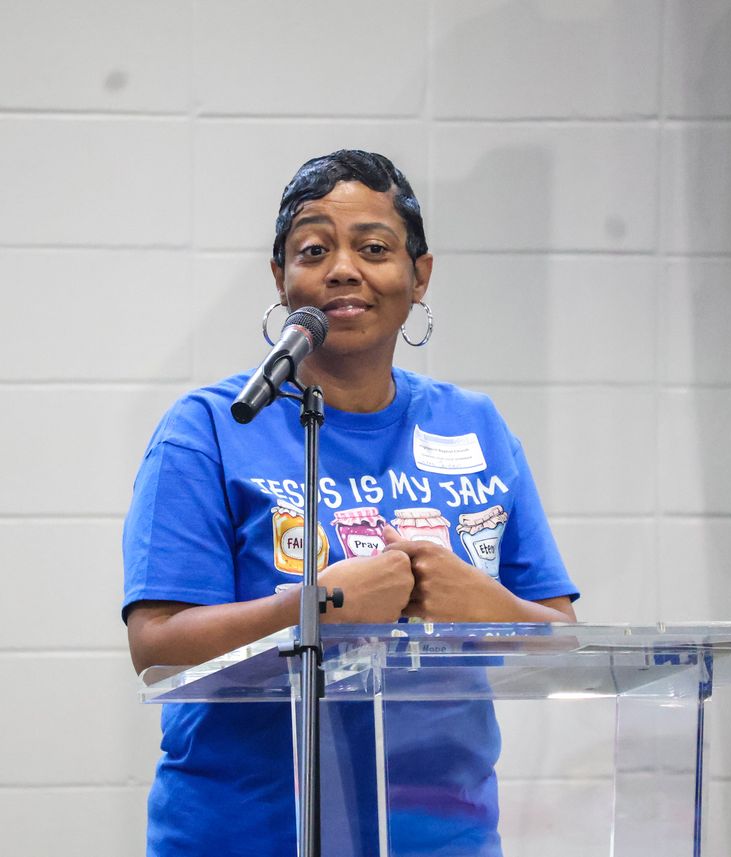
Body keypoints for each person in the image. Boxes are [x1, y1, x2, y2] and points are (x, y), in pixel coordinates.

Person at [122, 150, 579, 857]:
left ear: (419, 276)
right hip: (247, 835)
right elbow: (157, 648)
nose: (342, 268)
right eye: (313, 250)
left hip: (441, 838)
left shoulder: (476, 427)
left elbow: (562, 640)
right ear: (280, 277)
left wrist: (479, 603)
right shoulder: (210, 427)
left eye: (373, 248)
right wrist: (317, 608)